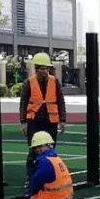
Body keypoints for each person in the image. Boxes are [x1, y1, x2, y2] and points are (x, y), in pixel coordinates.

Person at [19, 52, 66, 185]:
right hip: (34, 121)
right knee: (34, 150)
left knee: (50, 150)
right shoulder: (28, 83)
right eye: (43, 69)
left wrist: (62, 120)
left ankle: (50, 177)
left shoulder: (55, 82)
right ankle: (31, 178)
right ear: (36, 69)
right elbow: (23, 103)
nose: (45, 71)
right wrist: (23, 122)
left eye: (47, 68)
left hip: (51, 121)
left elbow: (60, 101)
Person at [15, 131, 73, 199]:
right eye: (35, 148)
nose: (37, 150)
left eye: (39, 146)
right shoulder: (56, 159)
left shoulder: (44, 162)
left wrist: (28, 194)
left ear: (48, 145)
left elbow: (36, 183)